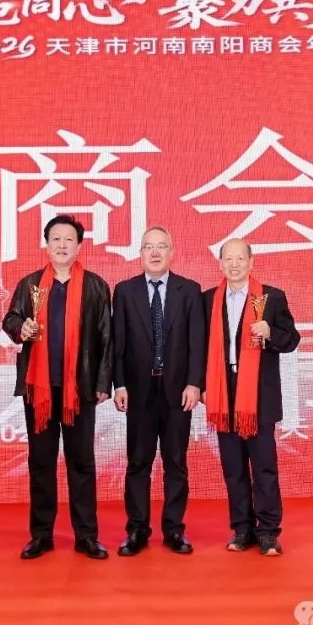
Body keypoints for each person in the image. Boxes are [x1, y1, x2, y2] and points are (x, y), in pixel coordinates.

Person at [2, 215, 113, 560]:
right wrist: (22, 328)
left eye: (69, 239)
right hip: (40, 391)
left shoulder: (95, 287)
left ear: (79, 246)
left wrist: (102, 383)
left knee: (82, 463)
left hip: (79, 390)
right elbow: (10, 319)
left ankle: (86, 536)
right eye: (56, 239)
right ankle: (41, 535)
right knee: (41, 462)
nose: (62, 245)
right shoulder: (30, 285)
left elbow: (106, 338)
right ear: (47, 245)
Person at [202, 238, 300, 556]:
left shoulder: (271, 297)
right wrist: (201, 385)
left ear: (251, 262)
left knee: (264, 467)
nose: (234, 264)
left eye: (240, 259)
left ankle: (268, 531)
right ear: (220, 264)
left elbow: (292, 339)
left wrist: (271, 333)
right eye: (228, 259)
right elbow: (199, 346)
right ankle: (242, 529)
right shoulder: (208, 300)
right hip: (223, 390)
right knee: (233, 468)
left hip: (258, 392)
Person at [112, 227, 205, 556]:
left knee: (176, 462)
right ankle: (137, 529)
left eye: (161, 247)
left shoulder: (189, 290)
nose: (154, 253)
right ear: (140, 253)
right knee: (138, 463)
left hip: (178, 392)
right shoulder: (124, 291)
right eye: (148, 247)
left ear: (171, 253)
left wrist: (195, 383)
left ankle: (174, 530)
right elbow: (118, 343)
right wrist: (119, 384)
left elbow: (197, 343)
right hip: (138, 391)